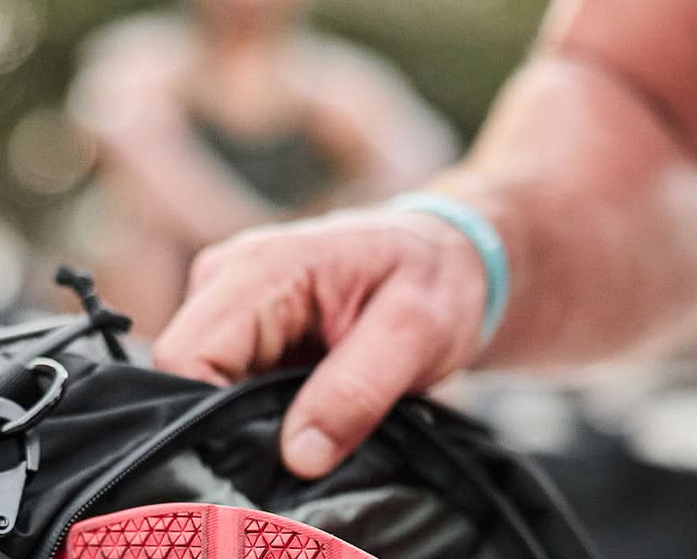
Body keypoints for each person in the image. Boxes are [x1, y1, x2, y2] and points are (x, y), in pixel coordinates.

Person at [153, 0, 697, 479]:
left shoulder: (337, 81)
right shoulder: (144, 67)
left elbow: (411, 152)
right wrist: (457, 247)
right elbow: (639, 101)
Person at [68, 0, 456, 337]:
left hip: (301, 274)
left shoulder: (337, 79)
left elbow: (424, 161)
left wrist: (341, 216)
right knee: (142, 247)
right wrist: (255, 237)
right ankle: (142, 379)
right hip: (178, 277)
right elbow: (126, 139)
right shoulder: (144, 57)